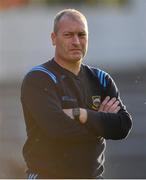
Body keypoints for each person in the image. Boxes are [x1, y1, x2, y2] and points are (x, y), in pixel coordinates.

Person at [21, 9, 132, 179]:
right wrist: (102, 124)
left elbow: (122, 126)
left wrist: (81, 114)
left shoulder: (101, 79)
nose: (76, 41)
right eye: (68, 35)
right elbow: (57, 129)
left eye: (82, 35)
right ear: (53, 38)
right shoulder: (39, 78)